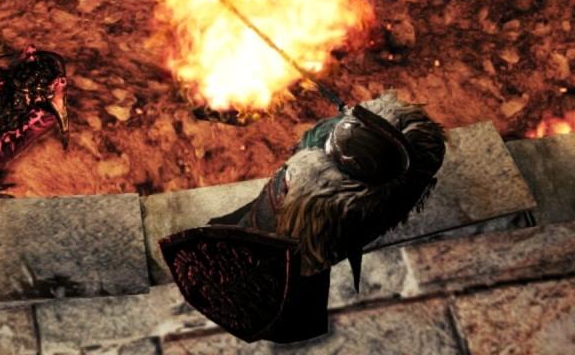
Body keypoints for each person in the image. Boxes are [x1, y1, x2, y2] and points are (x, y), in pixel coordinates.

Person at [161, 91, 446, 343]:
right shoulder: (378, 197)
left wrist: (349, 122)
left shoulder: (310, 165)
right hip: (298, 262)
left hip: (281, 258)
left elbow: (311, 141)